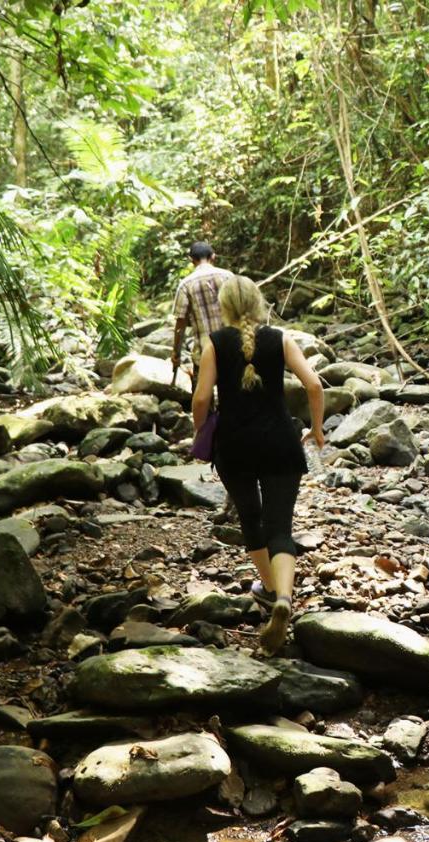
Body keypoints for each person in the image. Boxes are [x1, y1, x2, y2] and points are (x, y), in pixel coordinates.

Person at [191, 275, 325, 654]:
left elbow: (202, 399)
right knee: (280, 525)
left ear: (226, 308)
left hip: (234, 447)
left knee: (250, 518)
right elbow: (314, 386)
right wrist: (316, 429)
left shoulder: (214, 345)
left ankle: (267, 590)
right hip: (280, 443)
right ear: (258, 302)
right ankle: (284, 597)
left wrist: (201, 431)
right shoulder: (280, 338)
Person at [172, 241, 233, 380]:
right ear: (213, 257)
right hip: (232, 348)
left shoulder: (185, 285)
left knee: (202, 397)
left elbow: (180, 324)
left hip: (204, 351)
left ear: (191, 260)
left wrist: (176, 353)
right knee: (233, 396)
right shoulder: (228, 276)